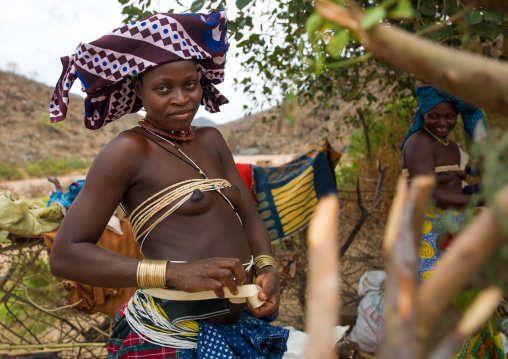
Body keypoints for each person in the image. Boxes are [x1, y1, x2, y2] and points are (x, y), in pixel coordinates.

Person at [48, 10, 288, 358]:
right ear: (138, 90)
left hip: (242, 323)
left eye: (190, 84)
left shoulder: (211, 140)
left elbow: (249, 215)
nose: (181, 98)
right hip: (170, 334)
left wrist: (267, 268)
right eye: (163, 88)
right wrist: (174, 272)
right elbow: (66, 253)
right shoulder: (128, 151)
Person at [401, 85, 505, 358]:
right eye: (434, 116)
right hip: (429, 236)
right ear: (423, 113)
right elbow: (428, 191)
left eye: (450, 116)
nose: (443, 122)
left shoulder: (452, 145)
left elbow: (453, 187)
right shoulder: (418, 143)